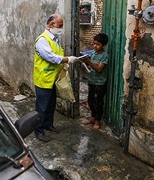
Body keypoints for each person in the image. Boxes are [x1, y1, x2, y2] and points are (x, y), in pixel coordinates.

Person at [33, 14, 78, 142]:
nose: (61, 28)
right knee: (41, 108)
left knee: (51, 105)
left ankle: (48, 125)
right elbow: (51, 57)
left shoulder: (54, 39)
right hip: (44, 79)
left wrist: (64, 63)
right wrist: (67, 59)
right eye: (60, 26)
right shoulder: (42, 40)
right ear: (51, 24)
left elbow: (57, 55)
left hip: (53, 79)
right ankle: (39, 130)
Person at [80, 33, 109, 131]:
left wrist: (89, 62)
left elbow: (99, 69)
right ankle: (93, 117)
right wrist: (85, 63)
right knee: (91, 101)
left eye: (98, 44)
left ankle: (97, 121)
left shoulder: (104, 56)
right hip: (91, 81)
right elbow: (91, 67)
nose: (95, 46)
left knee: (98, 103)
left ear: (103, 45)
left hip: (100, 83)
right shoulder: (92, 53)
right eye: (94, 44)